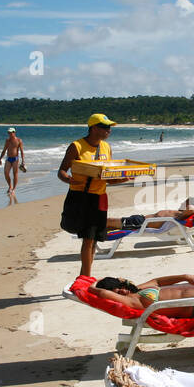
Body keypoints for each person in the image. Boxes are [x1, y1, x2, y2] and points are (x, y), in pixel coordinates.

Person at [59, 113, 125, 278]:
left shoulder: (106, 147)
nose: (109, 130)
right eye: (105, 127)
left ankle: (82, 278)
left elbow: (107, 177)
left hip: (100, 198)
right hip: (81, 198)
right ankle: (86, 280)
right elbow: (61, 171)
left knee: (94, 240)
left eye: (110, 127)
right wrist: (70, 180)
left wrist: (122, 179)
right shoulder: (77, 146)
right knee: (88, 239)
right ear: (94, 128)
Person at [107, 198, 194, 233]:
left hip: (140, 223)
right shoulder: (179, 214)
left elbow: (191, 209)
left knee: (108, 222)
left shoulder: (181, 215)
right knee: (109, 224)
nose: (181, 203)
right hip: (140, 220)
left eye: (184, 203)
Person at [2, 127, 25, 193]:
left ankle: (14, 188)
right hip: (8, 158)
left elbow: (21, 151)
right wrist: (0, 158)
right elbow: (4, 150)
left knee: (15, 174)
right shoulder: (7, 140)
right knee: (6, 173)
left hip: (15, 159)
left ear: (14, 133)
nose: (9, 134)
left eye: (11, 133)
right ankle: (10, 186)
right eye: (8, 133)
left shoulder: (19, 140)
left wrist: (23, 161)